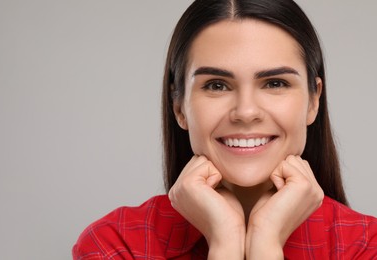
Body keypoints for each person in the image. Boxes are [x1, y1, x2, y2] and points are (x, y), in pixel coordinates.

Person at [72, 0, 377, 259]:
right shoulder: (117, 245)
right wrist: (225, 243)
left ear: (313, 101)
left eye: (275, 83)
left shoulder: (365, 247)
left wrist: (266, 243)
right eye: (217, 85)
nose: (245, 112)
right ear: (179, 106)